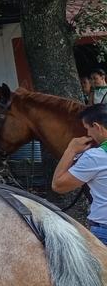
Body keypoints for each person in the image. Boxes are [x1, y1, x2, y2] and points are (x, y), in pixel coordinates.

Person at [52, 104, 107, 246]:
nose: (88, 134)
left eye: (87, 128)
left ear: (97, 126)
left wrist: (71, 150)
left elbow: (58, 185)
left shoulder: (95, 157)